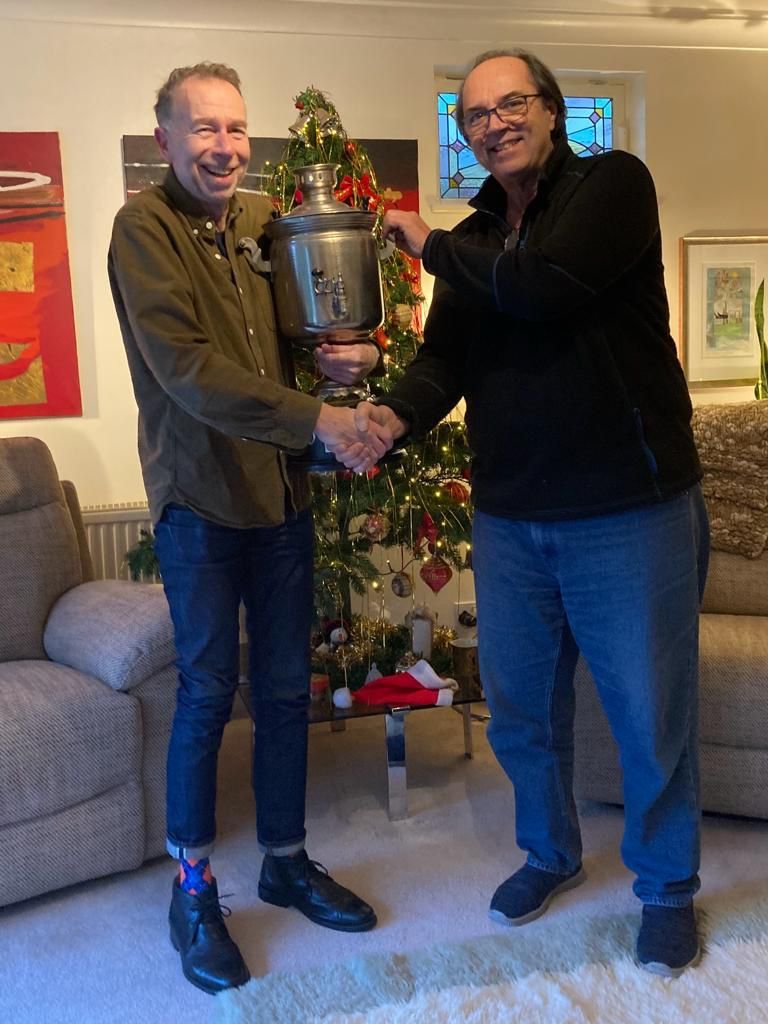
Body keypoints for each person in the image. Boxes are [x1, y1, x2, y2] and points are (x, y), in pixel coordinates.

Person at [350, 48, 710, 979]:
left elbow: (544, 283)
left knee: (648, 717)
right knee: (518, 712)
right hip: (511, 516)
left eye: (511, 103)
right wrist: (393, 415)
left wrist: (429, 245)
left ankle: (666, 887)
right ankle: (550, 852)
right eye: (474, 114)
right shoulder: (476, 235)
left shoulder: (611, 186)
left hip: (628, 510)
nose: (494, 123)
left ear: (551, 110)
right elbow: (446, 358)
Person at [108, 63, 392, 995]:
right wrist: (319, 419)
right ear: (166, 139)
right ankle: (192, 888)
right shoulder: (142, 230)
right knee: (205, 693)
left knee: (281, 690)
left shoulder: (265, 219)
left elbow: (302, 324)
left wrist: (345, 354)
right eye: (203, 129)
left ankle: (284, 860)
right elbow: (187, 368)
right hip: (197, 499)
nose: (224, 146)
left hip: (281, 494)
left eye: (235, 128)